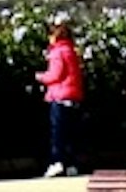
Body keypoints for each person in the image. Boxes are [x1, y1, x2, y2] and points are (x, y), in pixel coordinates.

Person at [36, 17, 85, 177]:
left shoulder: (57, 52)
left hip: (59, 97)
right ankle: (71, 164)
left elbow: (55, 75)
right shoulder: (71, 51)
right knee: (70, 133)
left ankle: (57, 162)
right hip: (74, 97)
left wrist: (41, 77)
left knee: (58, 134)